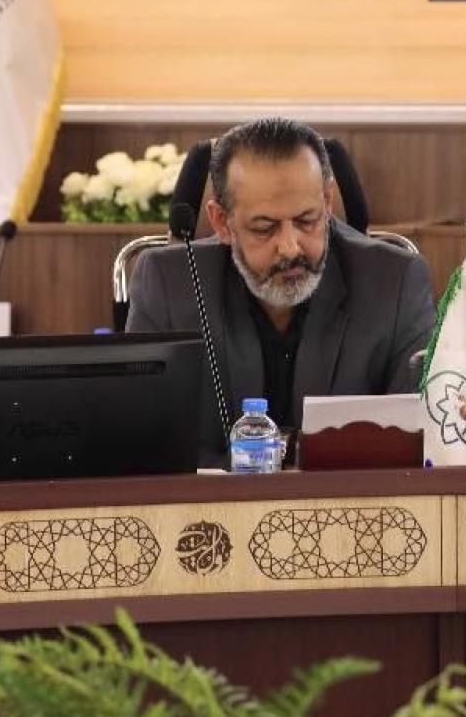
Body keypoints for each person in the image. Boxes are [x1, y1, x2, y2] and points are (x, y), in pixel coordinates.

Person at [126, 117, 435, 464]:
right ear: (222, 222)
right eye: (265, 228)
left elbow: (421, 439)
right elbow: (141, 438)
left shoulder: (396, 282)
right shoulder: (168, 283)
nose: (290, 247)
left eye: (306, 221)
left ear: (327, 202)